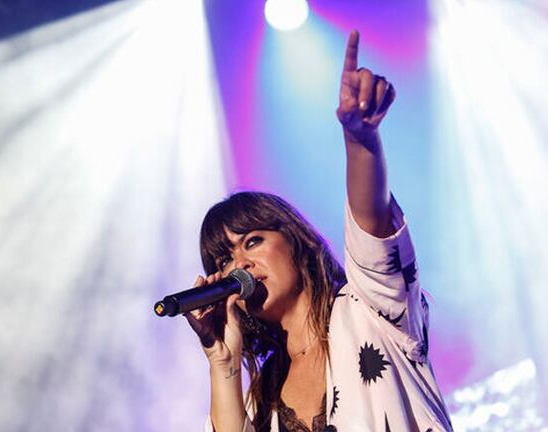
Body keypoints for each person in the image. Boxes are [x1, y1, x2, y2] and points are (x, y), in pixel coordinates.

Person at [185, 31, 453, 432]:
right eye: (224, 259)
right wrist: (223, 364)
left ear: (298, 241)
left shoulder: (369, 309)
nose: (238, 264)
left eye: (252, 242)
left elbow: (372, 230)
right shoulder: (258, 404)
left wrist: (359, 137)